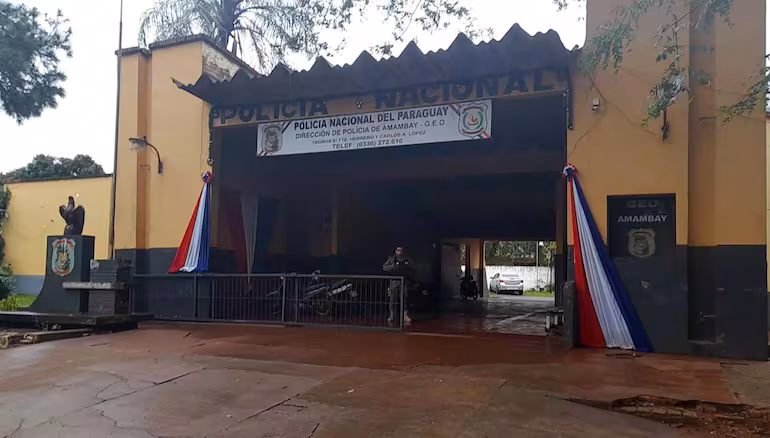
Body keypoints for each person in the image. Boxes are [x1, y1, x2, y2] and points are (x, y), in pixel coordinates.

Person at [383, 247, 414, 325]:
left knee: (404, 298)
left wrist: (405, 267)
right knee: (392, 299)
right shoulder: (391, 259)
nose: (400, 251)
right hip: (394, 281)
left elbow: (412, 268)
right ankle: (392, 315)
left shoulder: (407, 259)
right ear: (395, 251)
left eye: (401, 250)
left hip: (404, 281)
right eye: (398, 250)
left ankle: (405, 315)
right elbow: (385, 267)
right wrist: (394, 266)